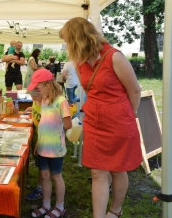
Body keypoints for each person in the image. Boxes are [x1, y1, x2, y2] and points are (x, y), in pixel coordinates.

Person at [59, 17, 142, 218]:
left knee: (117, 169)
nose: (67, 46)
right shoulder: (80, 62)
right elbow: (91, 89)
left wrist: (125, 117)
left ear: (78, 38)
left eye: (68, 41)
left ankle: (115, 210)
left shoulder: (114, 57)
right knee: (97, 172)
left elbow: (135, 91)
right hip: (95, 123)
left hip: (119, 124)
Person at [27, 69, 72, 218]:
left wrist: (57, 128)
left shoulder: (61, 101)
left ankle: (60, 206)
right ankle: (46, 205)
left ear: (48, 85)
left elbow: (68, 125)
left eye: (38, 88)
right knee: (45, 176)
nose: (37, 91)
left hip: (56, 149)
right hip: (42, 148)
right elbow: (42, 125)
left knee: (56, 176)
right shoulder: (44, 100)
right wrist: (39, 143)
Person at [24, 89, 43, 201]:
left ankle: (40, 189)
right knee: (39, 163)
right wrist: (30, 109)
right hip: (36, 136)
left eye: (35, 95)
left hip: (42, 139)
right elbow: (36, 110)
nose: (32, 97)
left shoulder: (46, 105)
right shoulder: (36, 102)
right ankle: (41, 186)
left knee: (42, 167)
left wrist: (39, 142)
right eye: (31, 95)